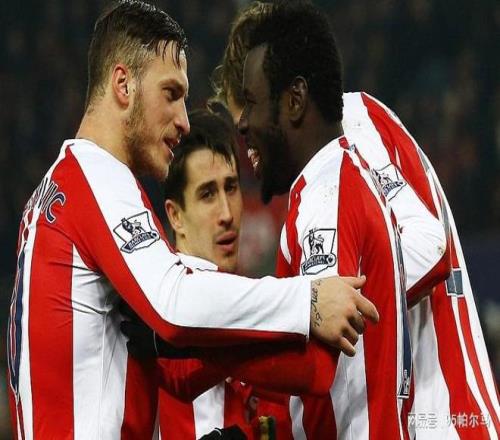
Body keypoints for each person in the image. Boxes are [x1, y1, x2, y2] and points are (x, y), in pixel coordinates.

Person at [5, 1, 381, 438]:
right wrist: (307, 300)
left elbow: (176, 365)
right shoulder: (94, 175)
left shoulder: (53, 196)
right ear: (123, 84)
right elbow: (173, 301)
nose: (184, 121)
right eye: (171, 94)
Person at [213, 1, 499, 438]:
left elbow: (429, 246)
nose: (245, 134)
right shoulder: (316, 181)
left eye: (247, 109)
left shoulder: (353, 122)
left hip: (443, 416)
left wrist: (316, 307)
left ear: (289, 99)